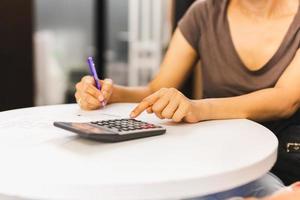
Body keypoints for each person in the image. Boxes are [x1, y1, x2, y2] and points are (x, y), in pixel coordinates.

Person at [75, 0, 300, 197]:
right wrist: (111, 93)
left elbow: (285, 100)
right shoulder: (203, 13)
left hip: (284, 157)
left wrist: (197, 108)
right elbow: (157, 88)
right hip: (219, 156)